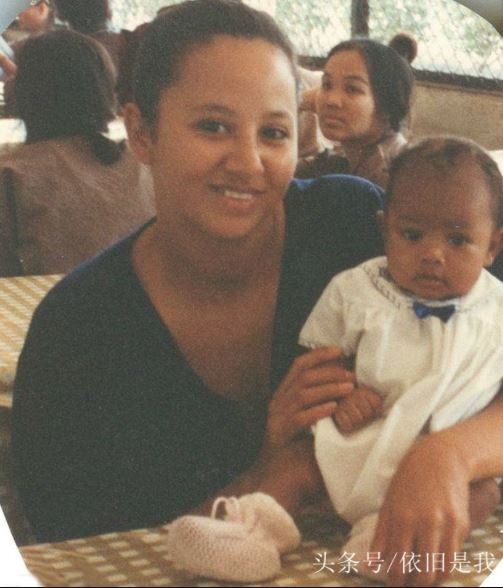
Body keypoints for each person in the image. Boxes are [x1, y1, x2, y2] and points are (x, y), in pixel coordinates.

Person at [10, 2, 503, 586]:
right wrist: (266, 470)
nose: (248, 162)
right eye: (213, 126)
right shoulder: (80, 330)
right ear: (142, 131)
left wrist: (447, 455)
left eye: (274, 133)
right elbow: (85, 557)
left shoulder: (352, 227)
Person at [298, 135, 503, 580]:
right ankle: (256, 524)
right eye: (411, 235)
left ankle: (387, 539)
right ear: (384, 228)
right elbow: (321, 359)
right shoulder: (358, 291)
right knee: (300, 466)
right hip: (365, 438)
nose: (432, 254)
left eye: (457, 239)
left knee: (485, 493)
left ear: (492, 246)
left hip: (452, 462)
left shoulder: (498, 311)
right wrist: (346, 392)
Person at [0, 29, 154, 276]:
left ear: (25, 92)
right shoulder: (141, 162)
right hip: (143, 296)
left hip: (49, 299)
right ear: (105, 89)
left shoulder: (13, 175)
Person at [295, 37, 415, 188]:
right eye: (327, 84)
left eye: (352, 89)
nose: (331, 100)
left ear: (387, 103)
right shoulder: (348, 154)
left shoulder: (395, 177)